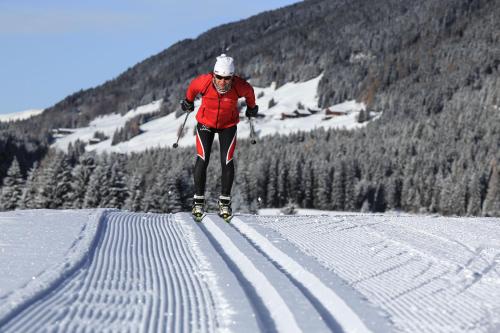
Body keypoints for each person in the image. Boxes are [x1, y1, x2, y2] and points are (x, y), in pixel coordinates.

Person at [181, 54, 259, 221]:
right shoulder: (204, 81)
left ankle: (224, 202)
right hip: (205, 124)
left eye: (227, 78)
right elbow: (192, 89)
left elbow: (250, 93)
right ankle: (198, 202)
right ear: (214, 74)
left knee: (227, 160)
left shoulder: (239, 85)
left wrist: (252, 108)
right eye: (219, 77)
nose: (223, 82)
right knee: (202, 158)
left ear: (232, 77)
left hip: (228, 125)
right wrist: (188, 102)